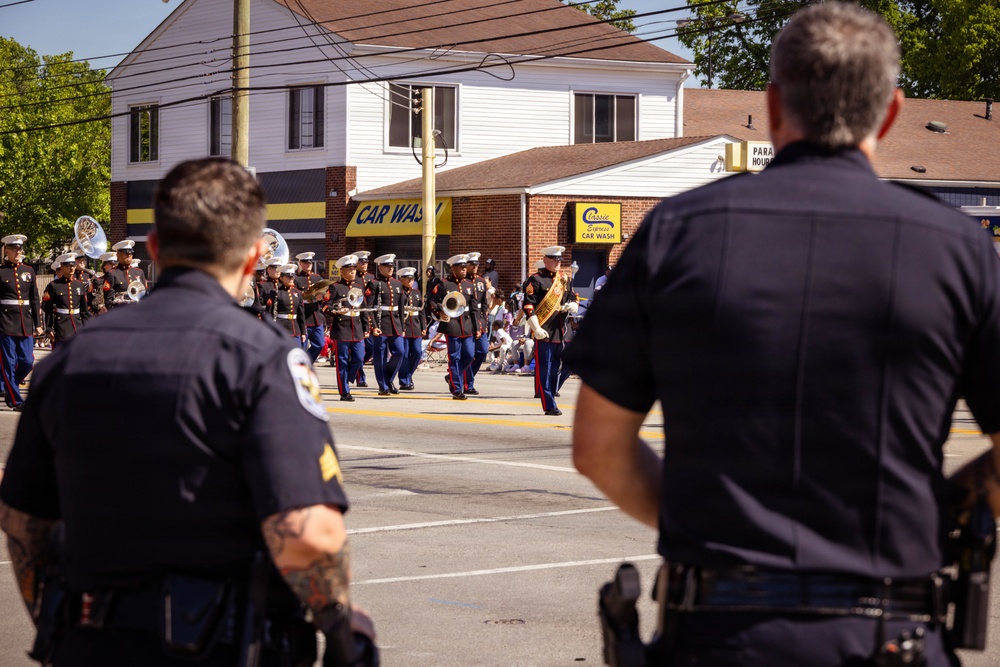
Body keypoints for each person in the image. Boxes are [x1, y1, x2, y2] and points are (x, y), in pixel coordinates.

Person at [566, 5, 1000, 665]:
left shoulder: (676, 232)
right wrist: (931, 514)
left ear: (773, 105)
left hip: (716, 632)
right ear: (889, 113)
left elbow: (598, 448)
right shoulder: (958, 250)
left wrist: (715, 527)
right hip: (890, 634)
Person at [0, 158, 375, 666]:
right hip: (223, 647)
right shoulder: (263, 358)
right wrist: (342, 622)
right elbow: (308, 534)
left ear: (156, 250)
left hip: (90, 644)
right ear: (251, 258)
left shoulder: (69, 361)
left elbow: (24, 524)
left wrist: (56, 625)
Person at [522, 246, 577, 416]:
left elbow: (572, 296)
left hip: (562, 329)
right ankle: (549, 404)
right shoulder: (535, 280)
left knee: (566, 364)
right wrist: (536, 327)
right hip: (545, 330)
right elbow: (528, 306)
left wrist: (573, 305)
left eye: (559, 260)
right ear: (545, 260)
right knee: (545, 369)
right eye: (554, 260)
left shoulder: (564, 279)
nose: (557, 263)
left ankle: (552, 393)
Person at [0, 234, 41, 411]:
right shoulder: (1, 271)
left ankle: (10, 388)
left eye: (20, 249)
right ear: (6, 251)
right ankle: (16, 401)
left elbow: (35, 299)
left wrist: (38, 323)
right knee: (8, 364)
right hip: (5, 321)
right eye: (14, 249)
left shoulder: (29, 271)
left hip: (25, 322)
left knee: (26, 362)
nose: (18, 251)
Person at [429, 254, 476, 400]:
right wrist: (440, 311)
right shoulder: (444, 284)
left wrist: (478, 327)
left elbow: (474, 308)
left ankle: (451, 376)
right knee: (454, 358)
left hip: (467, 324)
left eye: (464, 267)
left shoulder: (469, 285)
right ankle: (457, 389)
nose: (464, 270)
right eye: (461, 268)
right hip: (452, 324)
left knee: (469, 355)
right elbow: (431, 301)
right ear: (453, 268)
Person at [325, 254, 369, 402]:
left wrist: (366, 326)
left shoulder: (358, 287)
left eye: (354, 270)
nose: (352, 272)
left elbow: (363, 307)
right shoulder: (335, 287)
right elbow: (326, 306)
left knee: (359, 357)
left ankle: (349, 377)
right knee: (342, 361)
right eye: (349, 270)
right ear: (342, 271)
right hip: (341, 328)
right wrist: (336, 311)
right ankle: (344, 392)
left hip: (356, 328)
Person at [365, 253, 404, 396]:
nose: (390, 269)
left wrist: (402, 327)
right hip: (381, 323)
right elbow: (369, 308)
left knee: (400, 352)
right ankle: (383, 385)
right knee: (380, 356)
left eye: (392, 266)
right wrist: (373, 326)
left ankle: (388, 379)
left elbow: (401, 307)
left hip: (395, 323)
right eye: (387, 266)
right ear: (380, 267)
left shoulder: (397, 283)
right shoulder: (374, 283)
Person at [42, 253, 90, 347]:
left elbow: (84, 310)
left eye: (73, 265)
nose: (71, 268)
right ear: (62, 267)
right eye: (68, 266)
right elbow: (48, 308)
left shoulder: (79, 285)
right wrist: (48, 327)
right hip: (61, 326)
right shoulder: (54, 285)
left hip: (77, 324)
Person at [463, 251, 490, 395]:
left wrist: (484, 319)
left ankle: (461, 376)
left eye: (476, 264)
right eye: (472, 265)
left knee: (483, 350)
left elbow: (484, 302)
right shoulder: (462, 281)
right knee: (468, 353)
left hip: (479, 319)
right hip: (467, 319)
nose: (475, 267)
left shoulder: (480, 281)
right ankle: (467, 383)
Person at [396, 266, 426, 391]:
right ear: (401, 279)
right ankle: (404, 380)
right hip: (404, 325)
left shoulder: (417, 293)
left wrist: (424, 326)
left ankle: (408, 375)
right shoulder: (399, 293)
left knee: (418, 353)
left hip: (416, 325)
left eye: (412, 279)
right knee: (405, 354)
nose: (410, 281)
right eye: (407, 279)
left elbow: (421, 311)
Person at [294, 251, 327, 363]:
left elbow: (325, 295)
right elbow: (295, 295)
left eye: (310, 263)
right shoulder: (296, 278)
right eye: (305, 262)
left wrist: (321, 297)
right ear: (300, 263)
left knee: (320, 344)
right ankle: (301, 364)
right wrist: (307, 297)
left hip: (316, 316)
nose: (308, 265)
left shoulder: (317, 278)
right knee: (302, 347)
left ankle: (306, 362)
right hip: (304, 317)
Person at [101, 239, 147, 309]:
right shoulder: (112, 274)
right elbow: (108, 301)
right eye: (125, 253)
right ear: (118, 255)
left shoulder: (139, 272)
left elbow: (144, 295)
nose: (128, 255)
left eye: (130, 253)